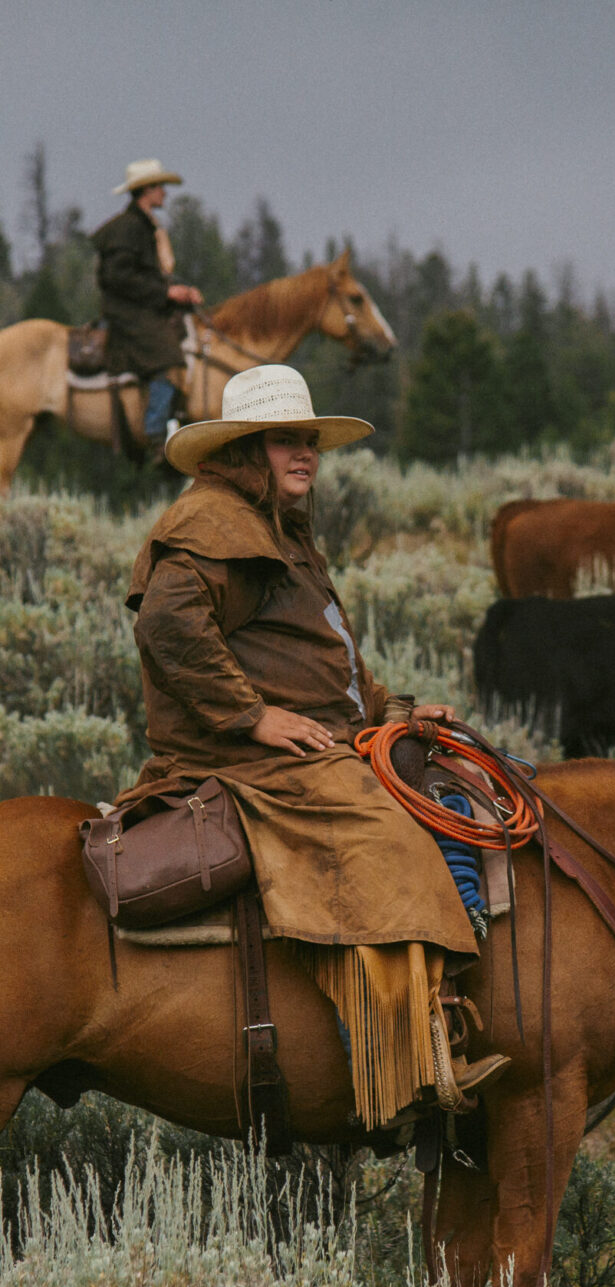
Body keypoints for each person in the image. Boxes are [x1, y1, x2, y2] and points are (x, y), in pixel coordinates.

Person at [120, 363, 509, 1128]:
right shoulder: (210, 521)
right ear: (242, 452)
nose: (305, 453)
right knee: (382, 839)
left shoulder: (277, 527)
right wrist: (251, 717)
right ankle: (402, 1066)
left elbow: (318, 654)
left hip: (311, 738)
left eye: (309, 440)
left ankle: (452, 986)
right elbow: (166, 625)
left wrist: (394, 711)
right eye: (283, 440)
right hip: (242, 759)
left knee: (463, 775)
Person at [90, 157, 204, 453]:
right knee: (169, 358)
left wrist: (178, 291)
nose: (165, 192)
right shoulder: (128, 228)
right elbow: (117, 277)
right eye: (160, 186)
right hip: (126, 313)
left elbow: (143, 275)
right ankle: (155, 432)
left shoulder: (141, 225)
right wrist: (166, 293)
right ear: (146, 190)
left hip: (140, 307)